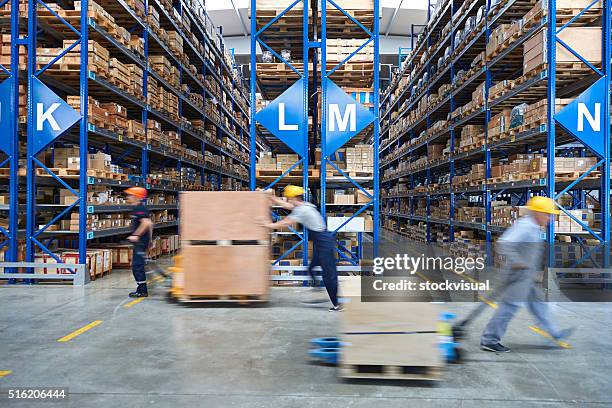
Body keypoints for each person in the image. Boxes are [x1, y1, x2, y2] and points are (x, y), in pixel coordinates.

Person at [480, 196, 573, 353]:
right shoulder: (525, 226)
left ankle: (556, 334)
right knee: (509, 308)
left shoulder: (534, 226)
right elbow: (503, 243)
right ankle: (489, 340)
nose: (550, 218)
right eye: (547, 214)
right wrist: (517, 262)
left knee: (539, 305)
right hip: (516, 276)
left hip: (526, 277)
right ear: (537, 213)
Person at [259, 185, 341, 311]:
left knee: (329, 275)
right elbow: (287, 206)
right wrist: (272, 198)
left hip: (324, 242)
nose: (287, 200)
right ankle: (317, 287)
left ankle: (337, 304)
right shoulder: (304, 205)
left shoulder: (302, 210)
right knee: (312, 267)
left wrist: (267, 225)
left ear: (293, 198)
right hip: (321, 241)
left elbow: (286, 222)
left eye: (288, 198)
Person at [125, 187, 153, 298]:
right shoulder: (140, 208)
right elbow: (150, 224)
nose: (128, 197)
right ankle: (142, 288)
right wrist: (150, 240)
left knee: (137, 266)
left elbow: (146, 223)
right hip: (143, 241)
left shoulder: (139, 208)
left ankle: (142, 290)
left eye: (130, 195)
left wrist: (136, 235)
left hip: (140, 242)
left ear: (136, 196)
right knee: (139, 264)